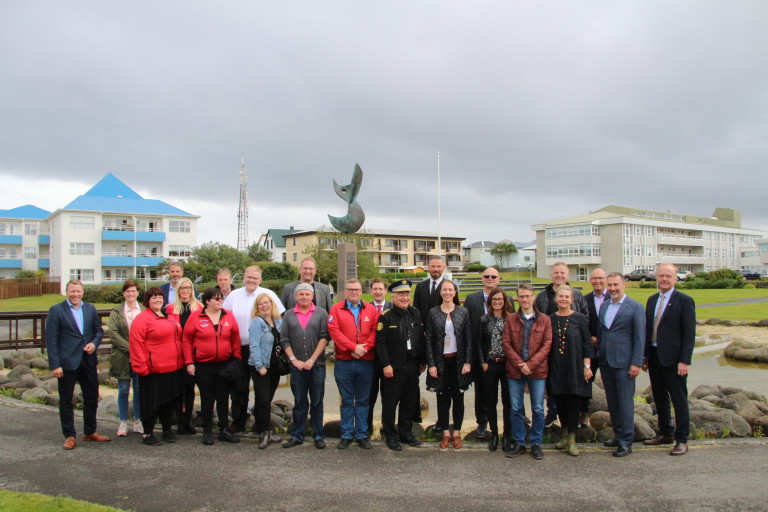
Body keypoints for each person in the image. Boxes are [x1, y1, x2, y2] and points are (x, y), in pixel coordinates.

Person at [46, 279, 110, 450]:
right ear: (67, 291)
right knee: (66, 399)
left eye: (78, 291)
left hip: (87, 360)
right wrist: (55, 364)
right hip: (67, 362)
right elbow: (51, 340)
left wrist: (94, 344)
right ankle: (69, 435)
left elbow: (98, 331)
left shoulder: (89, 309)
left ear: (83, 292)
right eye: (72, 291)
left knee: (91, 397)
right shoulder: (56, 311)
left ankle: (90, 431)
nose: (75, 294)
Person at [222, 265, 285, 432]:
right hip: (240, 349)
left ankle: (260, 421)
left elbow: (279, 318)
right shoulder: (233, 296)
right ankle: (239, 421)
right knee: (239, 387)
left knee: (264, 390)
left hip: (265, 351)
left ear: (260, 280)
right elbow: (224, 319)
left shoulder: (268, 295)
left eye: (255, 278)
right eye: (249, 277)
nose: (251, 280)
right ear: (244, 277)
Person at [643, 263, 696, 456]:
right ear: (656, 277)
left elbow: (689, 334)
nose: (664, 279)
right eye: (661, 276)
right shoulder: (652, 300)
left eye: (668, 276)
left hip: (675, 359)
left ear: (675, 278)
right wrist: (645, 356)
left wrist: (685, 361)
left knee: (679, 399)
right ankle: (665, 432)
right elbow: (649, 330)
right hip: (655, 356)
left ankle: (682, 439)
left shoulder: (684, 301)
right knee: (659, 397)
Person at [182, 288, 242, 445]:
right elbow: (187, 340)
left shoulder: (228, 316)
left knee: (223, 398)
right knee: (207, 398)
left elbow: (235, 339)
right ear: (207, 301)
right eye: (216, 299)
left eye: (221, 298)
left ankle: (224, 430)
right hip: (203, 365)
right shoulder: (196, 316)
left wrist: (237, 359)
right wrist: (189, 362)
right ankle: (207, 431)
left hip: (224, 364)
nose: (220, 301)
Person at [534, 261, 589, 427]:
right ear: (551, 275)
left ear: (567, 275)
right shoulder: (543, 296)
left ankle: (576, 421)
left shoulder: (577, 295)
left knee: (573, 388)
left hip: (573, 349)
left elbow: (585, 318)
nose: (559, 275)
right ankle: (553, 413)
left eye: (562, 273)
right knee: (554, 385)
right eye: (556, 272)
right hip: (551, 349)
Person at [598, 272, 646, 457]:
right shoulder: (604, 306)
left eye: (616, 285)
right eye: (609, 285)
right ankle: (618, 436)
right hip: (607, 362)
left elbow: (640, 338)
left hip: (625, 363)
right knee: (613, 402)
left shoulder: (635, 307)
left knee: (625, 403)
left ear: (624, 285)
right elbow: (603, 333)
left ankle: (626, 441)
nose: (613, 288)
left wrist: (636, 363)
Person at [463, 267, 515, 439]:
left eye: (493, 276)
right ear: (482, 279)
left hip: (505, 358)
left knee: (507, 394)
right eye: (487, 276)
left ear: (499, 279)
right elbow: (468, 328)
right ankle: (482, 422)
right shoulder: (472, 299)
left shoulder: (507, 299)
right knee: (482, 392)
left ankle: (509, 427)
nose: (490, 278)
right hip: (481, 355)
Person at [129, 287, 185, 446]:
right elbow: (136, 344)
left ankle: (167, 430)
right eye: (153, 298)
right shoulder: (142, 319)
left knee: (168, 402)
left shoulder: (168, 317)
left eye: (160, 297)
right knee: (150, 403)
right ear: (147, 300)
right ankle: (148, 433)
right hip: (152, 370)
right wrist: (142, 367)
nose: (157, 300)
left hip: (172, 368)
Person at [328, 278, 378, 449]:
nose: (354, 292)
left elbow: (375, 331)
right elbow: (334, 331)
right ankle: (347, 434)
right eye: (350, 290)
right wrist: (352, 347)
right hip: (344, 362)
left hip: (366, 362)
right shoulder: (336, 309)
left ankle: (362, 434)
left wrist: (365, 348)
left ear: (361, 291)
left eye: (356, 289)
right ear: (345, 291)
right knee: (347, 400)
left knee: (364, 400)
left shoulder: (370, 310)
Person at [503, 283, 552, 460]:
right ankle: (520, 442)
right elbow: (506, 344)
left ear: (533, 297)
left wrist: (530, 364)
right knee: (516, 408)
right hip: (515, 370)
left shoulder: (544, 320)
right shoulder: (511, 319)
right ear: (518, 298)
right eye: (521, 296)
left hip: (537, 370)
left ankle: (536, 443)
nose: (524, 299)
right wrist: (520, 364)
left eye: (527, 296)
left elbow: (547, 345)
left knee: (538, 408)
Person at [375, 280, 425, 451]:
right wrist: (386, 364)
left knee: (408, 403)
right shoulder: (386, 316)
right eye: (401, 295)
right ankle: (390, 435)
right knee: (390, 404)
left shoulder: (415, 313)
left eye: (407, 294)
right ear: (393, 296)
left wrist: (422, 361)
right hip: (393, 369)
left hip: (412, 367)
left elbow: (421, 337)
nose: (405, 298)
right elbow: (380, 343)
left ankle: (405, 433)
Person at [281, 283, 330, 449]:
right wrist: (294, 360)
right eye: (301, 294)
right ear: (296, 296)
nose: (304, 297)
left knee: (317, 402)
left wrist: (312, 360)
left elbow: (324, 337)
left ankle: (318, 435)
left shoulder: (321, 313)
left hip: (317, 366)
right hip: (297, 366)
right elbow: (284, 340)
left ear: (312, 296)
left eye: (307, 294)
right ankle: (297, 435)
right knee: (300, 402)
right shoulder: (288, 315)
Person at [425, 280, 472, 451]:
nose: (447, 292)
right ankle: (446, 434)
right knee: (442, 398)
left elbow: (468, 339)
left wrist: (468, 362)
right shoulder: (433, 313)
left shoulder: (463, 312)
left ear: (454, 292)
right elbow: (428, 340)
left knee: (458, 398)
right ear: (440, 292)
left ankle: (457, 434)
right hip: (440, 362)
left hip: (458, 362)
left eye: (450, 290)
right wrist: (431, 364)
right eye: (444, 289)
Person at [548, 286, 594, 456]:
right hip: (557, 367)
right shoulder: (550, 319)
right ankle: (564, 434)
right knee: (560, 400)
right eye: (561, 296)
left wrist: (587, 366)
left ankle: (573, 438)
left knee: (574, 401)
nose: (564, 299)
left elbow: (587, 343)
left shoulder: (580, 319)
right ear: (556, 299)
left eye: (567, 297)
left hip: (575, 366)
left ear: (572, 300)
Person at [476, 287, 514, 452]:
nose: (497, 302)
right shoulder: (484, 320)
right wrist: (483, 362)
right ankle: (495, 434)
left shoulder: (512, 319)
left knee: (508, 402)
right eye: (494, 299)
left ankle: (506, 435)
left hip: (508, 365)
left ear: (505, 301)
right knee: (491, 401)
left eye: (500, 299)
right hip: (491, 364)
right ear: (489, 302)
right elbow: (478, 342)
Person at [165, 276, 202, 435]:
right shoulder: (170, 308)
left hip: (194, 353)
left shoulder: (199, 307)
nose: (185, 291)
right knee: (178, 389)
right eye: (182, 288)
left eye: (188, 288)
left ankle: (187, 421)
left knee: (189, 388)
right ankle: (180, 421)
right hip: (176, 353)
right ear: (178, 290)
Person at [248, 293, 285, 449]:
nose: (264, 306)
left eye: (266, 303)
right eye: (260, 304)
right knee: (262, 399)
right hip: (262, 367)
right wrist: (259, 366)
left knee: (267, 400)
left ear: (271, 304)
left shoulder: (278, 322)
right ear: (257, 307)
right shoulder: (257, 322)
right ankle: (264, 431)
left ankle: (264, 429)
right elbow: (254, 345)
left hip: (274, 367)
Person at [108, 279, 143, 437]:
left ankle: (137, 420)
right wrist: (131, 348)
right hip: (123, 356)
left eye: (133, 291)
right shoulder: (116, 312)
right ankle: (122, 421)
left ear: (137, 292)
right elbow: (113, 333)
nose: (130, 294)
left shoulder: (142, 310)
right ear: (123, 293)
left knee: (138, 390)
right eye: (128, 291)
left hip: (139, 357)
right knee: (123, 390)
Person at [582, 268, 608, 425]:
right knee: (586, 381)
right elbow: (582, 321)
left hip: (608, 348)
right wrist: (590, 337)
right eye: (595, 278)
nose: (598, 281)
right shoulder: (585, 299)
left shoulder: (614, 297)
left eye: (601, 278)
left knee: (610, 380)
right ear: (590, 280)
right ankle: (583, 413)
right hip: (590, 347)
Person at [367, 278, 391, 436]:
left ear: (386, 291)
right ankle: (367, 428)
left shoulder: (393, 306)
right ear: (370, 291)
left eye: (380, 289)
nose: (377, 292)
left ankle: (386, 427)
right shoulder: (365, 308)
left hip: (388, 359)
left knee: (388, 397)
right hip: (369, 359)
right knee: (369, 396)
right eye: (375, 289)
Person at [413, 255, 445, 320]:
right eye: (433, 266)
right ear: (428, 267)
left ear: (444, 267)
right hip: (423, 328)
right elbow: (416, 309)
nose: (436, 269)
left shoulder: (449, 288)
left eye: (439, 266)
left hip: (442, 327)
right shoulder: (420, 286)